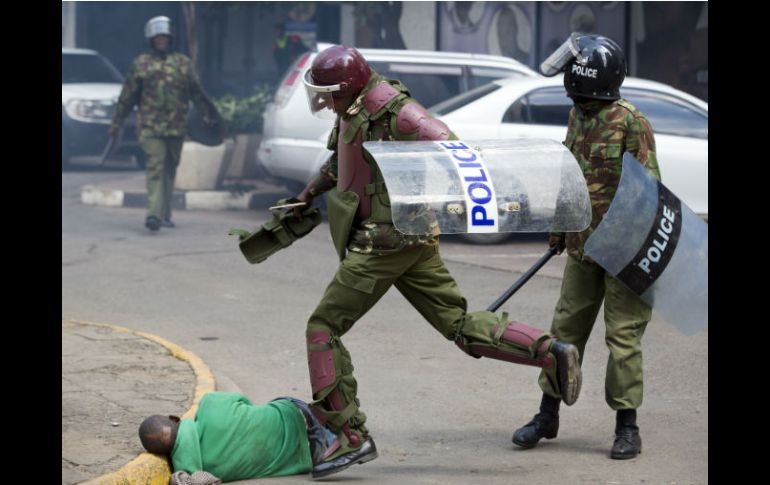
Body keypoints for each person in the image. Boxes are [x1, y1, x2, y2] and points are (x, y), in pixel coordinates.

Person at [294, 44, 584, 478]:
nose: (323, 101)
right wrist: (307, 193)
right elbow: (342, 161)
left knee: (323, 328)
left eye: (328, 92)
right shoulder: (353, 108)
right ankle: (550, 352)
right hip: (408, 240)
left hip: (383, 244)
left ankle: (348, 437)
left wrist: (457, 202)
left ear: (350, 86)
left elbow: (453, 150)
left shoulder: (399, 112)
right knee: (459, 324)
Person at [512, 33, 660, 460]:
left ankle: (627, 427)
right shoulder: (578, 116)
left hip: (625, 251)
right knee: (564, 333)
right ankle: (547, 414)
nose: (573, 94)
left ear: (587, 79)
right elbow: (570, 173)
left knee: (623, 339)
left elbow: (648, 189)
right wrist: (560, 228)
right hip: (582, 248)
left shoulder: (630, 120)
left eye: (575, 84)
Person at [110, 16, 217, 231]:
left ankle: (165, 214)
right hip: (150, 128)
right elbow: (127, 96)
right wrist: (117, 122)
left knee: (169, 170)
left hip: (177, 127)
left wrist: (209, 116)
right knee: (155, 168)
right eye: (158, 37)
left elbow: (197, 93)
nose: (162, 40)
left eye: (165, 37)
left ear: (170, 38)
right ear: (150, 38)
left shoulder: (183, 63)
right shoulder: (141, 64)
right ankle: (153, 215)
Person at [138, 392, 337, 483]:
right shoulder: (210, 403)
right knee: (278, 404)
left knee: (331, 437)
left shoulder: (202, 469)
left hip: (310, 456)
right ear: (174, 418)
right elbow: (244, 401)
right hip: (296, 415)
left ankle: (338, 439)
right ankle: (338, 420)